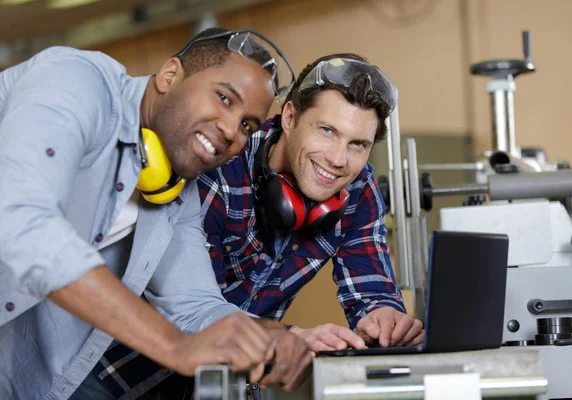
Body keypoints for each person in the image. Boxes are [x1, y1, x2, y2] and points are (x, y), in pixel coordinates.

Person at [0, 28, 313, 400]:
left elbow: (194, 303)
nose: (232, 131)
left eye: (247, 125)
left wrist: (269, 337)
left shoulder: (177, 194)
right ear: (169, 76)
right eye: (224, 97)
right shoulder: (74, 81)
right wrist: (175, 347)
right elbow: (21, 222)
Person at [196, 52, 426, 352]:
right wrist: (286, 339)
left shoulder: (357, 187)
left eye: (357, 144)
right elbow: (191, 308)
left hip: (223, 380)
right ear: (290, 117)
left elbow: (373, 293)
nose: (338, 159)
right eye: (327, 131)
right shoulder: (221, 167)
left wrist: (383, 318)